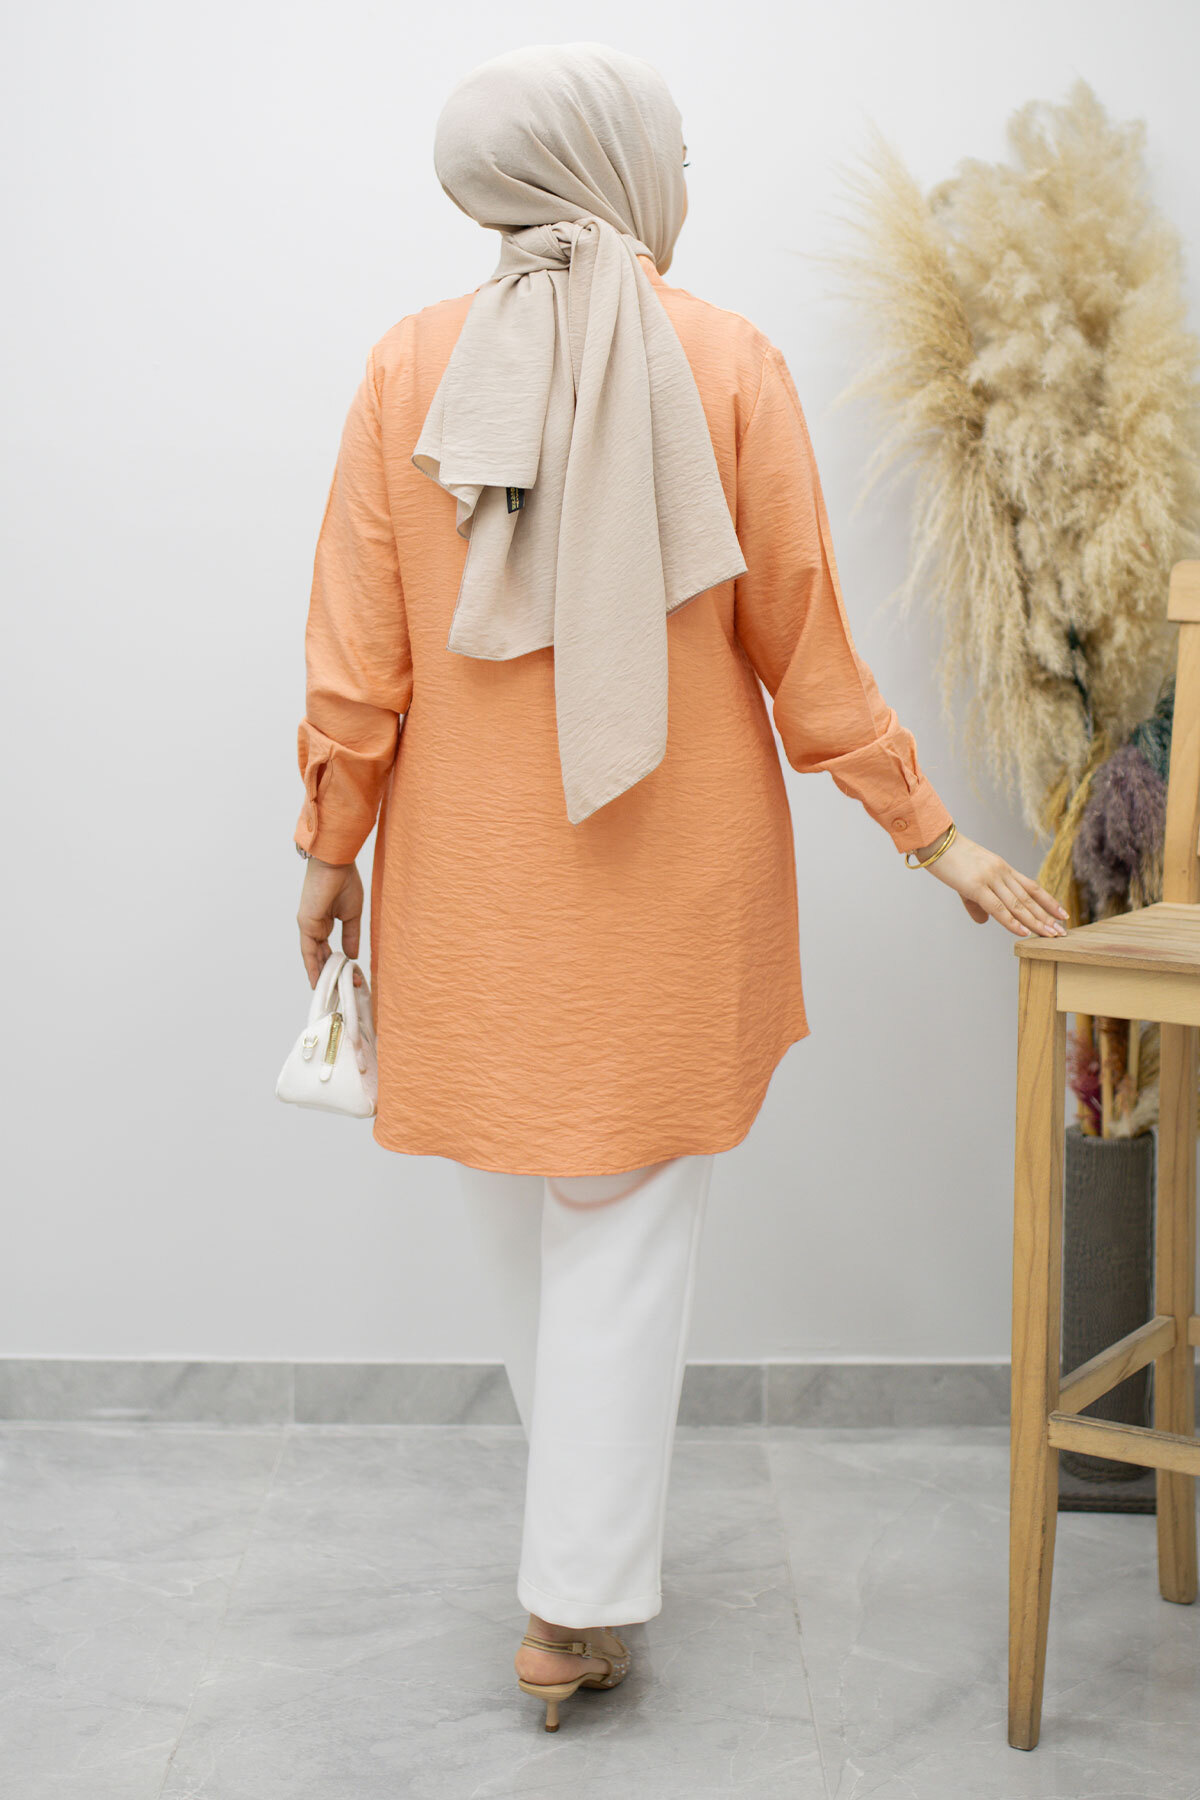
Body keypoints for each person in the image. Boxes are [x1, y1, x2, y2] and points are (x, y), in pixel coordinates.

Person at [290, 41, 1069, 1733]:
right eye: (678, 154)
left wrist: (329, 848)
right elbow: (808, 653)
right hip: (666, 887)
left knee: (526, 1215)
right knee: (622, 1233)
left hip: (470, 891)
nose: (690, 183)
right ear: (608, 163)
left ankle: (574, 1575)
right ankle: (570, 1601)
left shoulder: (406, 368)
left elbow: (356, 661)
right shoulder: (726, 361)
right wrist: (931, 833)